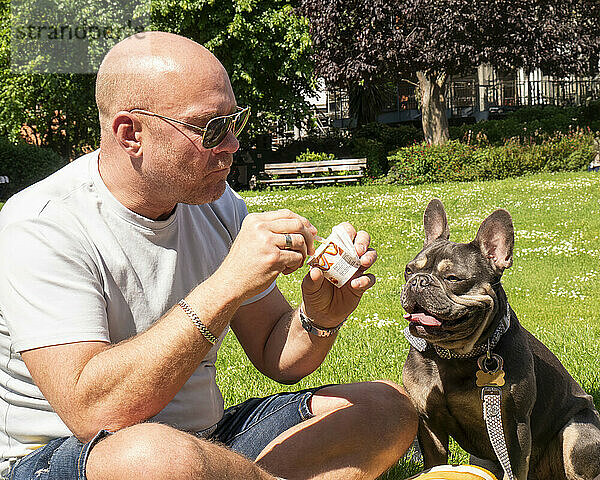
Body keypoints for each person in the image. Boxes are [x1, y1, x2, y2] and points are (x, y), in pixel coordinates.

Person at [0, 31, 417, 480]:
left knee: (385, 409)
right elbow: (94, 412)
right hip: (75, 455)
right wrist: (228, 282)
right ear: (130, 133)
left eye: (234, 122)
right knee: (155, 461)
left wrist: (319, 317)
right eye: (211, 128)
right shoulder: (42, 224)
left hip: (203, 440)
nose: (233, 144)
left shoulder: (218, 206)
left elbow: (276, 352)